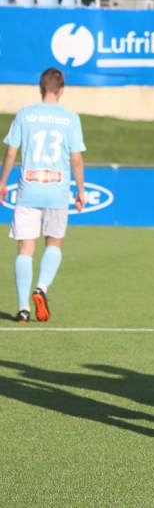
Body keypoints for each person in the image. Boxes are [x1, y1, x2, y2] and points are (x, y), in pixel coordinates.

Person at [1, 68, 86, 324]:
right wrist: (81, 190)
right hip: (57, 190)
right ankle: (42, 288)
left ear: (40, 88)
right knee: (54, 243)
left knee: (26, 248)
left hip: (29, 189)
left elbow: (11, 152)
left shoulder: (25, 115)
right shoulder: (70, 118)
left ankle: (23, 307)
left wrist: (2, 181)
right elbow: (76, 158)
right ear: (61, 89)